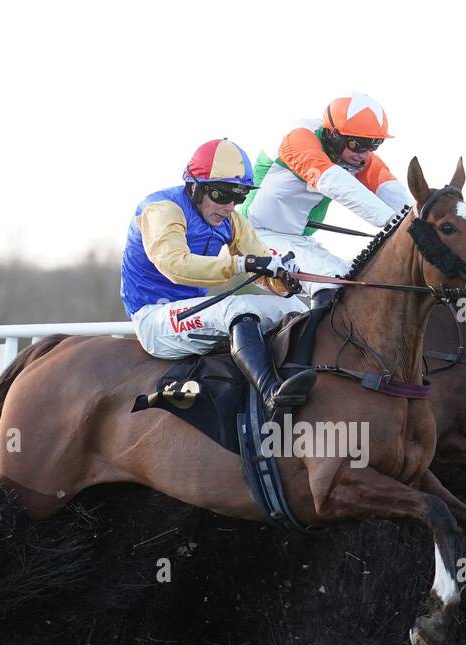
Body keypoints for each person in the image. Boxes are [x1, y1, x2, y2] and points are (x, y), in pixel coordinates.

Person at [120, 138, 314, 420]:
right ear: (195, 187)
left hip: (193, 312)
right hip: (154, 319)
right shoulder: (162, 209)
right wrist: (240, 264)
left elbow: (260, 264)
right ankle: (272, 395)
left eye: (240, 197)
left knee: (296, 308)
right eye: (222, 195)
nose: (230, 207)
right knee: (237, 308)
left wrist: (284, 277)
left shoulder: (232, 220)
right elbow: (174, 265)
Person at [240, 93, 411, 300]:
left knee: (357, 282)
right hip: (256, 237)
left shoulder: (352, 155)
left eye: (374, 145)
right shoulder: (298, 138)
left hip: (300, 240)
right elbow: (334, 182)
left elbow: (391, 191)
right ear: (334, 135)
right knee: (331, 280)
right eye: (357, 144)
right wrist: (399, 224)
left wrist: (419, 219)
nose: (365, 154)